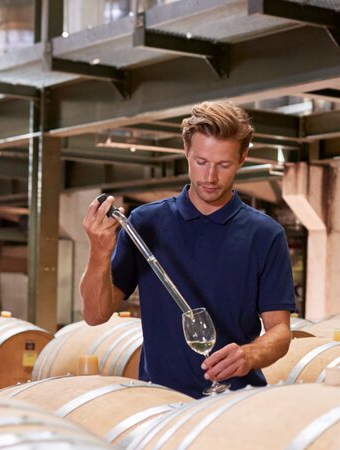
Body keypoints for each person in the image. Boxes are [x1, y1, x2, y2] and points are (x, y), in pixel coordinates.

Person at [79, 101, 295, 398]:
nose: (210, 177)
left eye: (224, 165)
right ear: (186, 151)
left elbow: (280, 333)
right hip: (160, 403)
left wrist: (250, 355)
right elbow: (95, 314)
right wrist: (98, 252)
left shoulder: (265, 234)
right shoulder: (144, 223)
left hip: (234, 403)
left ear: (243, 157)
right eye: (201, 161)